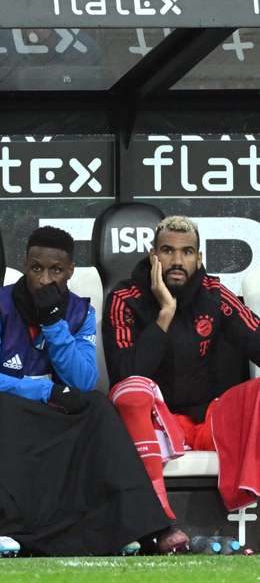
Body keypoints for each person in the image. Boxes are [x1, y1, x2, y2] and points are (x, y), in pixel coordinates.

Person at [0, 226, 171, 557]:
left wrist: (54, 323)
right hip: (10, 409)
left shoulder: (80, 312)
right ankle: (1, 529)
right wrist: (42, 389)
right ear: (25, 266)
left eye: (55, 270)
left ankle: (122, 526)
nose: (44, 279)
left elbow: (82, 381)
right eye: (36, 268)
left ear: (69, 272)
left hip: (52, 413)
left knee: (97, 406)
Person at [105, 215, 260, 552]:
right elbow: (125, 372)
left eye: (187, 252)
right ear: (152, 256)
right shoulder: (125, 298)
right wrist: (165, 312)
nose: (177, 261)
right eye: (168, 251)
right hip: (155, 427)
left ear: (199, 258)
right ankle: (159, 522)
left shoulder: (214, 292)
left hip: (208, 423)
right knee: (133, 390)